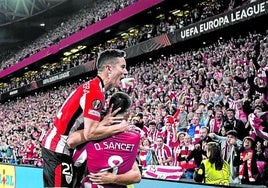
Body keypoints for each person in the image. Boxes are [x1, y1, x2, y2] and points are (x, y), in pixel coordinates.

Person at [41, 49, 129, 188]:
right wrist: (120, 127)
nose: (126, 72)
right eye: (122, 67)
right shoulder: (95, 92)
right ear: (109, 69)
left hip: (60, 148)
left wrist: (103, 123)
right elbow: (90, 133)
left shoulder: (93, 88)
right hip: (57, 149)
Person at [72, 92, 141, 188]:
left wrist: (112, 178)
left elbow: (136, 176)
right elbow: (136, 176)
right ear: (128, 113)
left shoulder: (91, 136)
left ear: (109, 107)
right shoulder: (132, 137)